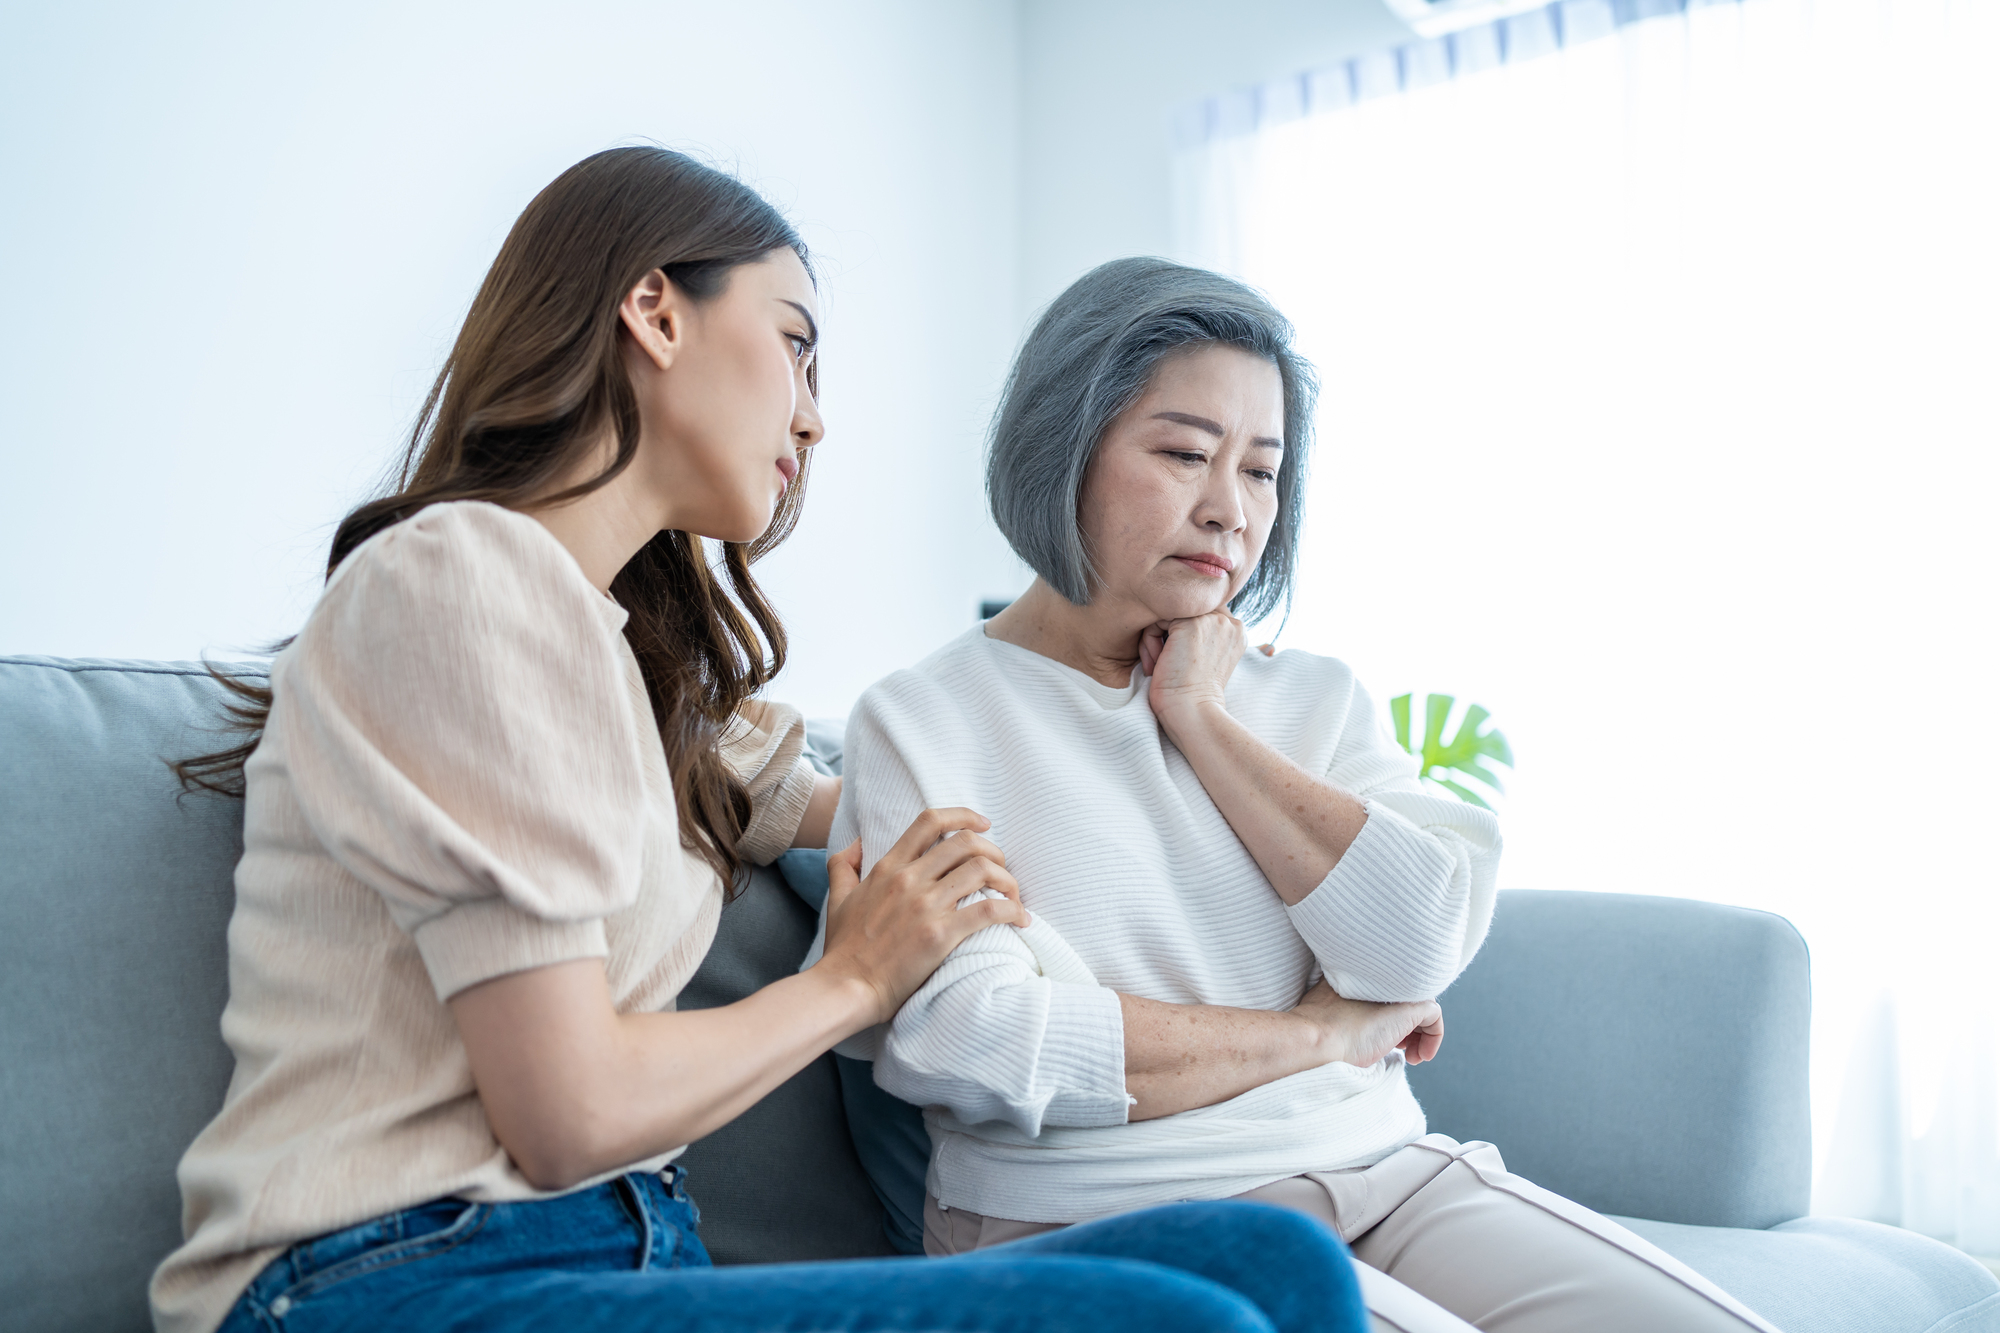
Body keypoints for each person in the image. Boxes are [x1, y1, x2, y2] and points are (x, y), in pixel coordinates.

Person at [149, 150, 1371, 1333]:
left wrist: (1185, 730)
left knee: (1269, 1259)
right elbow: (564, 1114)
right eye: (795, 344)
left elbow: (910, 802)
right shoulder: (457, 576)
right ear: (653, 313)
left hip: (612, 1263)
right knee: (1179, 1318)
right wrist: (850, 982)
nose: (814, 418)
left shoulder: (640, 676)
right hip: (391, 1278)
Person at [819, 257, 1782, 1333]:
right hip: (1099, 1213)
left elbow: (1414, 947)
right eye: (1184, 453)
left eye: (1262, 470)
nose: (1229, 509)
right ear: (1063, 449)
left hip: (1381, 1168)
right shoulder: (925, 720)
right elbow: (982, 1039)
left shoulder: (1311, 698)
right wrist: (1317, 1036)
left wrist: (1204, 722)